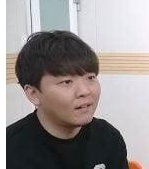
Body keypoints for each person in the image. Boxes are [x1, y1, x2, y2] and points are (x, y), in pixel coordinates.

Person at [7, 30, 130, 169]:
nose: (85, 91)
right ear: (33, 94)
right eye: (66, 82)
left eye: (90, 77)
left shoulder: (108, 138)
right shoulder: (8, 151)